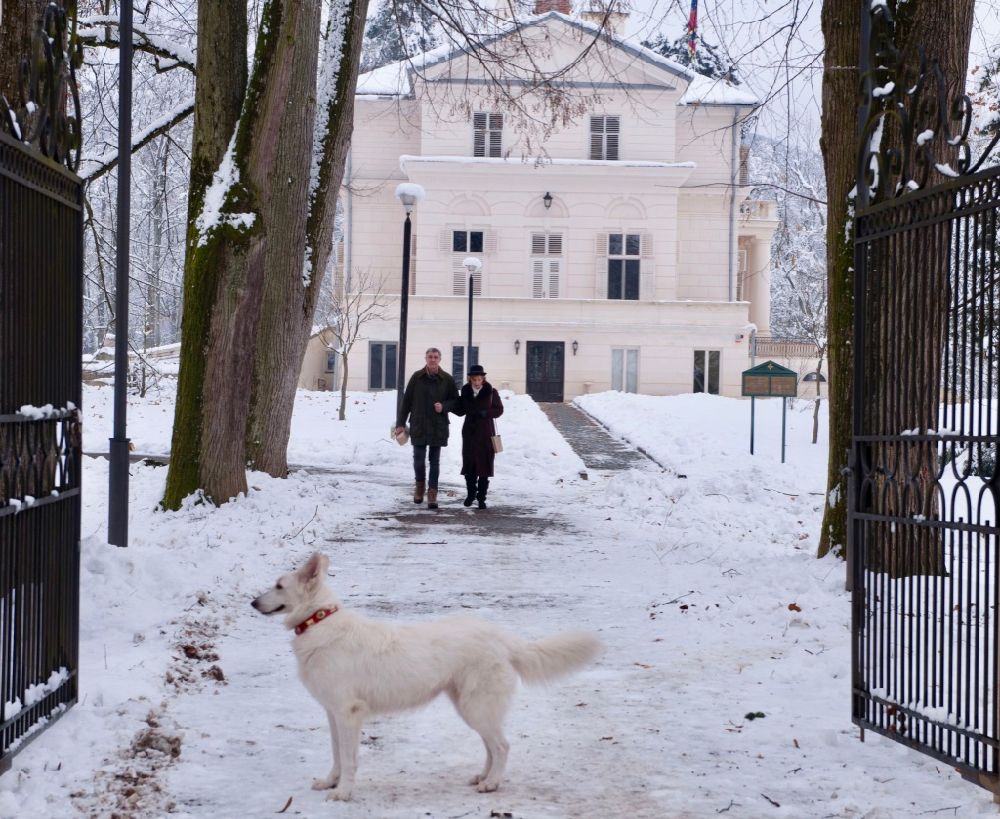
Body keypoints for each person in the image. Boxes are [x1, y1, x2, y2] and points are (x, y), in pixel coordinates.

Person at [395, 348, 458, 510]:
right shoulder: (417, 377)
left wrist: (443, 406)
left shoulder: (447, 380)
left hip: (438, 425)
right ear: (425, 358)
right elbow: (407, 401)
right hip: (419, 424)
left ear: (440, 359)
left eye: (436, 357)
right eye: (430, 357)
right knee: (418, 459)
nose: (432, 360)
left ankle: (432, 493)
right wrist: (400, 423)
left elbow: (456, 403)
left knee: (434, 461)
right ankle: (419, 487)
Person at [451, 364, 504, 509]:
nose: (476, 382)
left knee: (484, 466)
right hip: (469, 432)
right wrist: (448, 405)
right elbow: (461, 409)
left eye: (479, 379)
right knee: (470, 465)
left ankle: (481, 498)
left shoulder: (491, 392)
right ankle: (470, 495)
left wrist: (486, 413)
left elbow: (499, 410)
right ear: (470, 380)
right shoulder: (466, 392)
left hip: (486, 433)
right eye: (474, 379)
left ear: (483, 379)